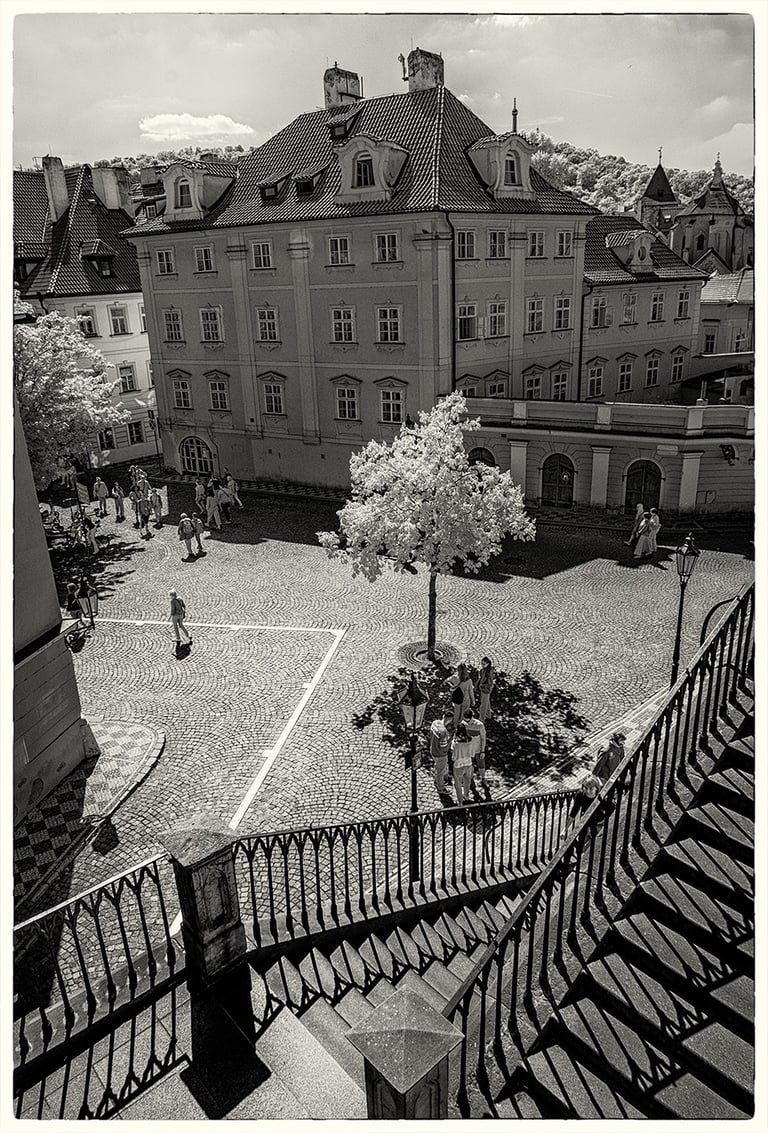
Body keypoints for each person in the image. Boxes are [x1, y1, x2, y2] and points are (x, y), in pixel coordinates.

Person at [463, 708, 487, 790]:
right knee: (469, 766)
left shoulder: (480, 725)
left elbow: (483, 738)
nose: (467, 722)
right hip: (468, 750)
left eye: (468, 720)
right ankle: (470, 779)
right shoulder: (463, 724)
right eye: (465, 720)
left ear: (472, 717)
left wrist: (482, 751)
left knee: (481, 765)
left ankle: (483, 778)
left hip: (478, 750)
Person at [451, 723, 475, 806]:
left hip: (458, 766)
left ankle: (460, 802)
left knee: (458, 784)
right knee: (467, 782)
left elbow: (454, 757)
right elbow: (472, 754)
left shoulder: (455, 743)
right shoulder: (470, 741)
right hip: (468, 764)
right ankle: (466, 796)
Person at [429, 713, 453, 793]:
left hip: (433, 750)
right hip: (440, 754)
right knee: (440, 771)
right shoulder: (443, 732)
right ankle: (440, 788)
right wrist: (450, 741)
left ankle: (437, 780)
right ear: (449, 719)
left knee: (437, 766)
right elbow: (444, 748)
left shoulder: (434, 723)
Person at [476, 656, 495, 723]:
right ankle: (488, 714)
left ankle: (481, 719)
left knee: (483, 705)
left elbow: (490, 683)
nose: (482, 665)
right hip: (483, 689)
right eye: (481, 663)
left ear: (488, 664)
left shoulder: (489, 672)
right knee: (486, 702)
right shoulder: (483, 670)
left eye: (484, 664)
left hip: (485, 689)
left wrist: (482, 686)